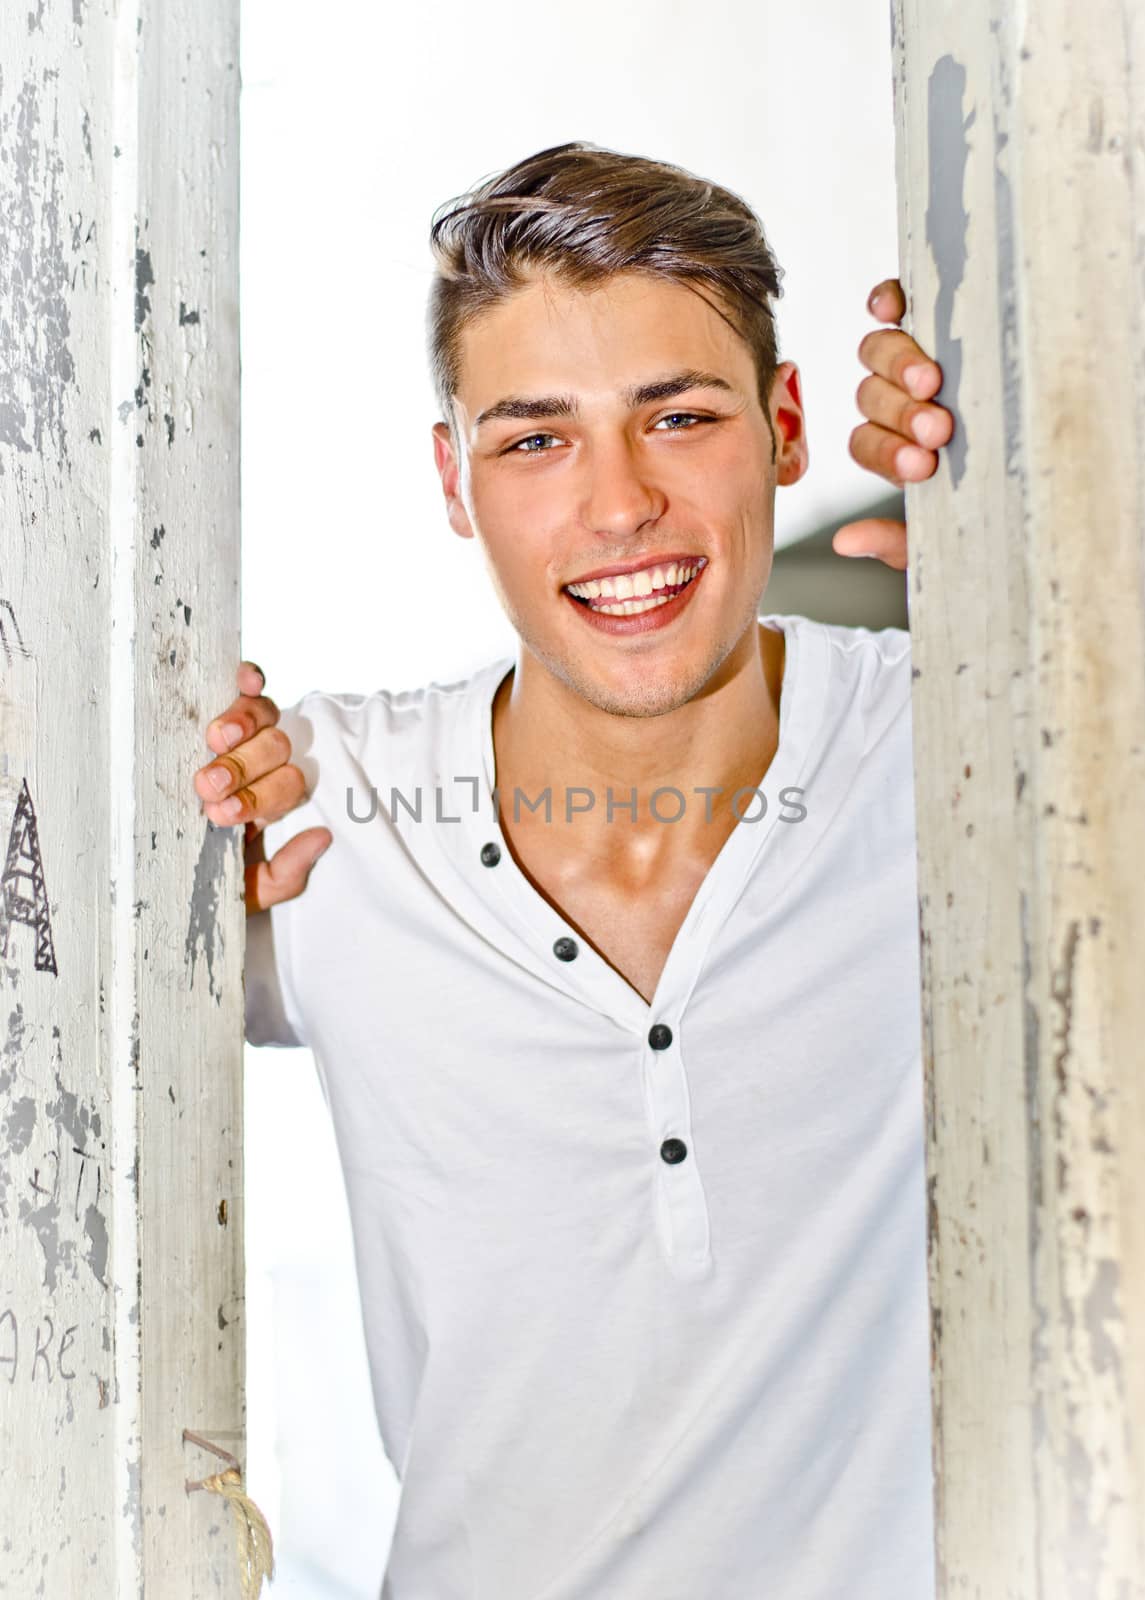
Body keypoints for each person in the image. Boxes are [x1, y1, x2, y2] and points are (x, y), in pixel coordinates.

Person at [196, 142, 954, 1599]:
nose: (617, 507)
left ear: (787, 427)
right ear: (453, 480)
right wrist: (143, 899)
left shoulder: (960, 751)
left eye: (676, 418)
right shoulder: (317, 812)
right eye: (534, 439)